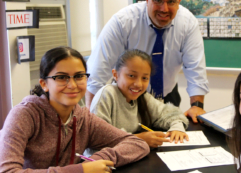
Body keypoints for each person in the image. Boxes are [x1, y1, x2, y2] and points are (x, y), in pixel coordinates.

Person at [0, 46, 149, 173]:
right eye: (61, 77)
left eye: (79, 76)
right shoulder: (24, 115)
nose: (72, 85)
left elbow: (137, 144)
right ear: (44, 84)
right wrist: (81, 170)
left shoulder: (83, 118)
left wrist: (96, 160)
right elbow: (8, 171)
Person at [85, 0, 209, 123]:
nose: (164, 9)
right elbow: (97, 74)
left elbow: (195, 68)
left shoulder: (187, 23)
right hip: (126, 98)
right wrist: (91, 121)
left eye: (171, 2)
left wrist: (197, 105)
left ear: (178, 2)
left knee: (172, 138)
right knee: (129, 141)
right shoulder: (123, 22)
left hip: (167, 96)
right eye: (158, 0)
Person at [89, 49, 189, 148]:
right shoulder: (107, 94)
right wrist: (139, 139)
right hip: (101, 161)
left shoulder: (143, 97)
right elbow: (98, 138)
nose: (138, 84)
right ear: (116, 75)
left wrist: (177, 127)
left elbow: (171, 113)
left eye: (145, 78)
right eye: (131, 76)